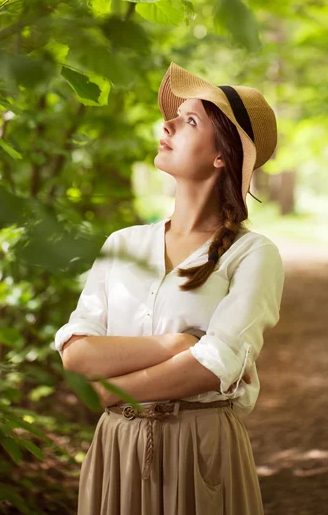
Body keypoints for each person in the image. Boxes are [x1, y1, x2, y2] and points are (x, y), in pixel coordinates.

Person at [54, 61, 285, 515]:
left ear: (223, 154)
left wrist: (111, 389)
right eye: (176, 116)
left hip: (201, 446)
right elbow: (76, 353)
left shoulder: (253, 254)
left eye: (190, 120)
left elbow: (215, 366)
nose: (168, 124)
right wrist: (180, 343)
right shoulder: (122, 244)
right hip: (116, 446)